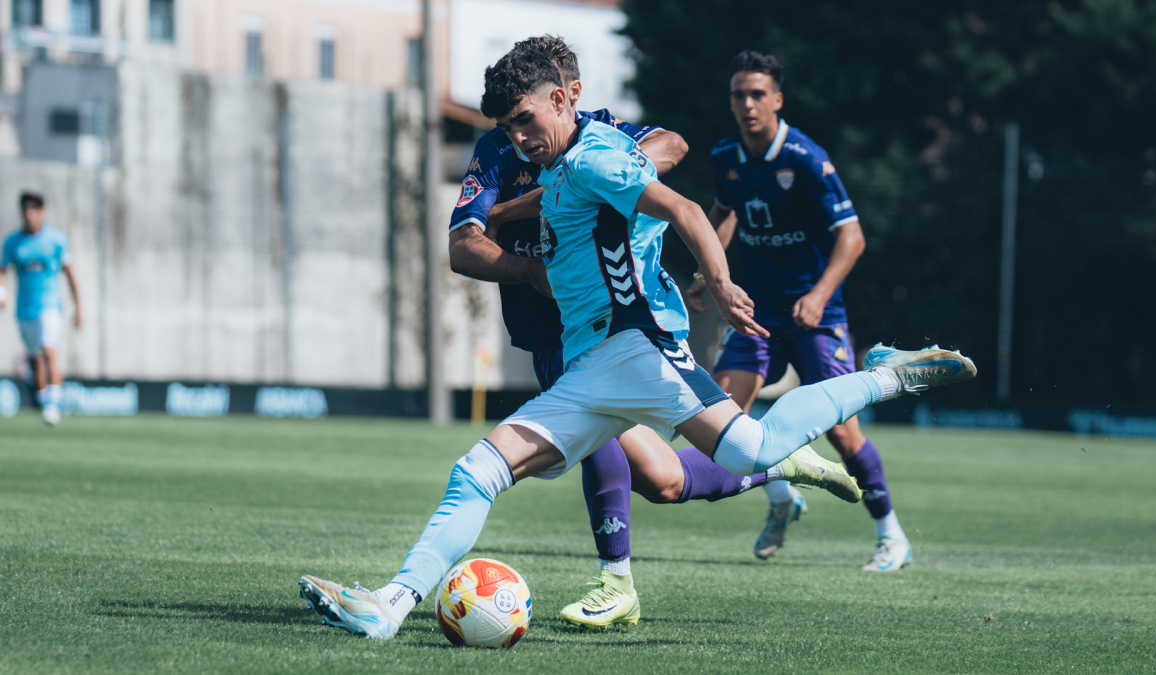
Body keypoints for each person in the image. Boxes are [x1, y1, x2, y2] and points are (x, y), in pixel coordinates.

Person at [297, 48, 976, 641]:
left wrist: (721, 282)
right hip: (588, 366)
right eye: (507, 127)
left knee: (753, 448)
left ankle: (889, 374)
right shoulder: (566, 160)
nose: (519, 138)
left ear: (564, 98)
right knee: (477, 472)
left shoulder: (594, 155)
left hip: (640, 349)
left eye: (526, 119)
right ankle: (389, 607)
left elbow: (682, 208)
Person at [448, 36, 833, 629]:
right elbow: (463, 246)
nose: (525, 129)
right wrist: (528, 268)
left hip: (615, 329)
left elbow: (672, 146)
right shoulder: (500, 145)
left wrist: (564, 192)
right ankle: (775, 462)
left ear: (569, 94)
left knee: (593, 444)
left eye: (558, 95)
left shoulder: (601, 138)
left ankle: (615, 581)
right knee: (664, 480)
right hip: (547, 328)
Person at [687, 51, 910, 571]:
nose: (748, 104)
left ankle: (891, 535)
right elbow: (723, 212)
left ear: (777, 100)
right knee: (722, 416)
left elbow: (852, 237)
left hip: (817, 314)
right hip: (758, 309)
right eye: (739, 95)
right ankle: (782, 497)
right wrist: (706, 277)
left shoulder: (806, 158)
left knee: (842, 433)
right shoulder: (726, 156)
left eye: (757, 94)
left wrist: (819, 294)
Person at [0, 192, 82, 426]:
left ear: (41, 212)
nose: (30, 213)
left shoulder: (55, 239)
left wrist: (78, 308)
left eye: (34, 209)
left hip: (50, 304)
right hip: (24, 310)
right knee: (36, 359)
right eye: (26, 209)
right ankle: (45, 402)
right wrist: (2, 293)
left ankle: (53, 406)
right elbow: (2, 270)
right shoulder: (12, 242)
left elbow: (70, 275)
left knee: (49, 351)